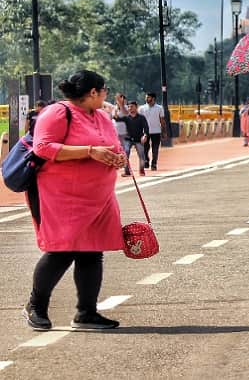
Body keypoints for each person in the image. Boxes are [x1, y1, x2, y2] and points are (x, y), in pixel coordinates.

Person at [25, 70, 127, 331]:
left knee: (92, 252)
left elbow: (113, 145)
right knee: (62, 250)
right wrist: (90, 152)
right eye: (103, 90)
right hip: (64, 196)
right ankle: (36, 306)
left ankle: (87, 312)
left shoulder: (102, 116)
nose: (106, 95)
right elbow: (43, 147)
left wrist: (118, 158)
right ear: (92, 92)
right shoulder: (58, 113)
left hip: (99, 196)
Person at [113, 100, 149, 176]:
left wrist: (145, 135)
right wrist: (116, 109)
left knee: (142, 155)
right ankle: (127, 172)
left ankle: (141, 170)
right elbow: (116, 119)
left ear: (136, 107)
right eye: (128, 107)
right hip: (128, 139)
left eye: (132, 106)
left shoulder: (141, 118)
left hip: (138, 139)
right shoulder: (126, 117)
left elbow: (146, 128)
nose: (130, 108)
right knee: (126, 153)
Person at [139, 92, 166, 171]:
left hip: (156, 131)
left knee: (155, 149)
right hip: (145, 132)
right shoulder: (142, 108)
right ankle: (146, 160)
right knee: (145, 148)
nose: (146, 99)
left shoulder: (159, 108)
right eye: (146, 97)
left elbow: (162, 120)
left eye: (148, 97)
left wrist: (164, 131)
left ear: (153, 98)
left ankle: (154, 164)